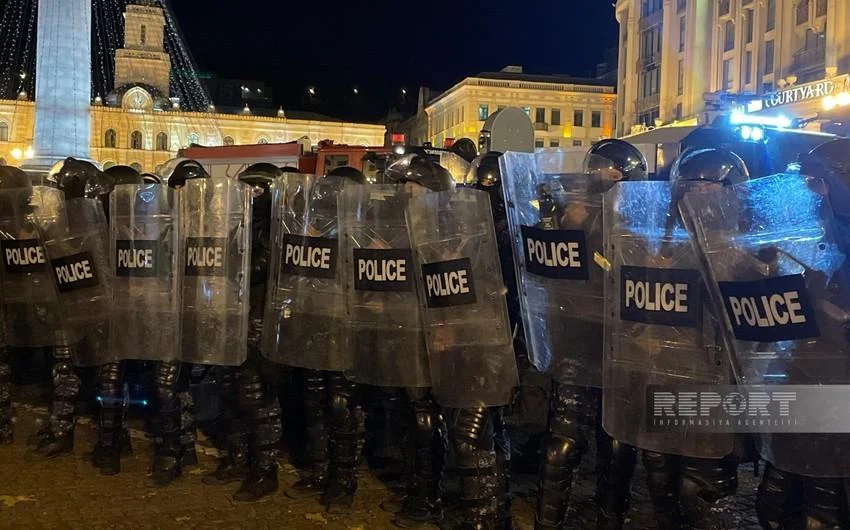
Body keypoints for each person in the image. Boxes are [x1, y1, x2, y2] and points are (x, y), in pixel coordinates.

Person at [405, 154, 519, 529]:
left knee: (472, 436)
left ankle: (486, 517)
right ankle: (484, 512)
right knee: (476, 434)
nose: (407, 197)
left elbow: (505, 294)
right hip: (451, 348)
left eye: (414, 190)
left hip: (484, 346)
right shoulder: (434, 234)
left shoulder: (490, 233)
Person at [262, 165, 367, 513]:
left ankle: (343, 480)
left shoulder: (365, 232)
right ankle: (321, 472)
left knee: (340, 405)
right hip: (315, 322)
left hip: (346, 327)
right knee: (313, 398)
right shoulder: (314, 228)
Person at [202, 162, 283, 501]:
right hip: (233, 316)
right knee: (228, 389)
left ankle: (265, 469)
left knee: (255, 396)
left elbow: (257, 268)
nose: (247, 197)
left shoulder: (276, 229)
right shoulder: (242, 226)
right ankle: (236, 457)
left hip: (258, 320)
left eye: (253, 190)